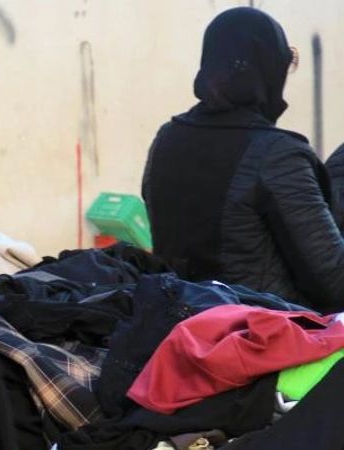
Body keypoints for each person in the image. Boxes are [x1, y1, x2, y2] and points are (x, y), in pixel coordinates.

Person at [142, 7, 344, 313]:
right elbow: (335, 282)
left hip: (181, 330)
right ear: (268, 70)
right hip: (264, 340)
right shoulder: (278, 155)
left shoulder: (167, 138)